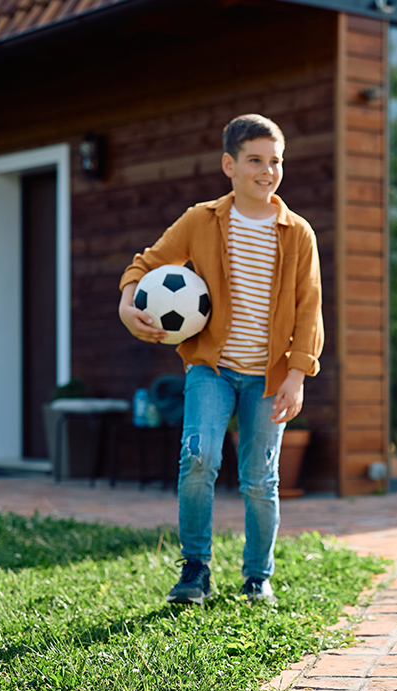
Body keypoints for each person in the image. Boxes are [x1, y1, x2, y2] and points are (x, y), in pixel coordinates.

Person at [118, 114, 323, 605]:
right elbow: (147, 263)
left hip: (269, 378)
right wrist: (129, 303)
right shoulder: (201, 220)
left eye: (275, 161)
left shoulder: (297, 233)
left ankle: (258, 577)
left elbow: (309, 306)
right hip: (210, 369)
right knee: (198, 458)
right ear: (229, 164)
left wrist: (297, 374)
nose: (267, 171)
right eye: (255, 160)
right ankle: (195, 570)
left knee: (259, 479)